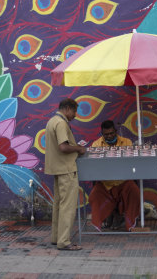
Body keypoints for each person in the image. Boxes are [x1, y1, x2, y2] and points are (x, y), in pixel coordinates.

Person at [44, 98, 87, 251]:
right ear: (68, 108)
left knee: (59, 205)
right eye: (75, 111)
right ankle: (64, 241)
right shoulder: (61, 123)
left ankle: (56, 237)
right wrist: (78, 149)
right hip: (66, 169)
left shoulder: (52, 121)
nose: (75, 115)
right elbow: (63, 147)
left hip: (57, 168)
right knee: (67, 206)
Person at [88, 120, 140, 231]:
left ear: (115, 131)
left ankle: (128, 222)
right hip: (105, 182)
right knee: (94, 196)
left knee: (135, 191)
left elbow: (130, 162)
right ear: (102, 134)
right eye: (106, 134)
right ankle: (106, 217)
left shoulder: (127, 142)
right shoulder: (96, 145)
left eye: (112, 133)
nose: (110, 136)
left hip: (123, 180)